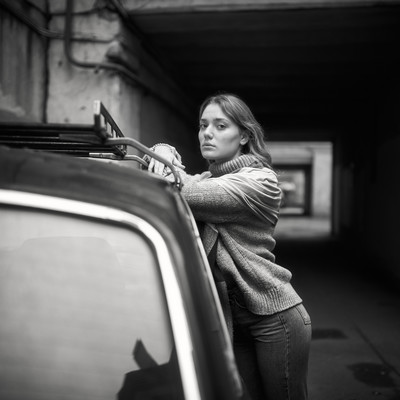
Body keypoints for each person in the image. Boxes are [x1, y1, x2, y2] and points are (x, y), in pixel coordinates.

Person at [145, 92, 312, 400]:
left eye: (220, 126)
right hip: (233, 317)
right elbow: (181, 181)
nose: (207, 133)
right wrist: (161, 149)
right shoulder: (209, 178)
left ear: (244, 135)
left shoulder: (260, 182)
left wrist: (163, 156)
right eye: (203, 125)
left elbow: (181, 190)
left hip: (275, 318)